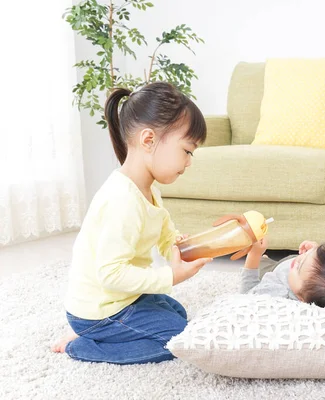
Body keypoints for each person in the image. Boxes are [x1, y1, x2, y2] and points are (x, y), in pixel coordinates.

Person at [51, 82, 212, 364]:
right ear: (148, 140)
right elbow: (110, 275)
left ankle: (104, 333)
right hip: (99, 311)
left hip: (123, 299)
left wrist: (177, 246)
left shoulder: (147, 190)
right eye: (187, 151)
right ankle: (83, 345)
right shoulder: (122, 201)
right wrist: (170, 277)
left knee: (177, 313)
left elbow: (162, 233)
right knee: (181, 339)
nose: (188, 163)